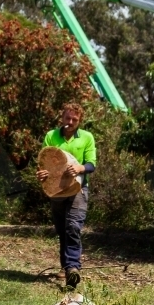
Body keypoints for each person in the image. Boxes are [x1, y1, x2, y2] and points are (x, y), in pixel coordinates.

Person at [36, 103, 96, 289]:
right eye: (67, 118)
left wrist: (79, 168)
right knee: (62, 228)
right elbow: (44, 162)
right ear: (62, 118)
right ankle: (66, 266)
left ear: (80, 121)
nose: (70, 122)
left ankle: (72, 269)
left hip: (78, 189)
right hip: (57, 190)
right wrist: (42, 174)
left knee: (73, 226)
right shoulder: (51, 136)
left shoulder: (87, 137)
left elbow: (91, 164)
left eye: (74, 120)